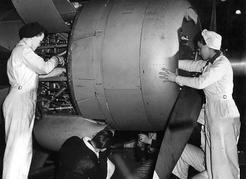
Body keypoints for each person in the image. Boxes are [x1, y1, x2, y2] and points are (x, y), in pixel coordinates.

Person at [159, 29, 241, 179]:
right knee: (214, 160)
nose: (198, 50)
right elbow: (194, 65)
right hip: (214, 111)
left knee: (222, 161)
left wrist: (175, 78)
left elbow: (201, 82)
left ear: (209, 47)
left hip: (223, 114)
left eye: (200, 47)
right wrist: (171, 62)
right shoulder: (211, 64)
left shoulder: (222, 64)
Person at [2, 22, 65, 179]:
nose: (40, 43)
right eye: (40, 40)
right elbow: (43, 68)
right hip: (20, 101)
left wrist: (63, 70)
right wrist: (56, 59)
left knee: (23, 148)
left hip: (22, 100)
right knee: (17, 148)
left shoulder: (20, 53)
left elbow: (39, 74)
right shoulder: (24, 50)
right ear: (33, 36)